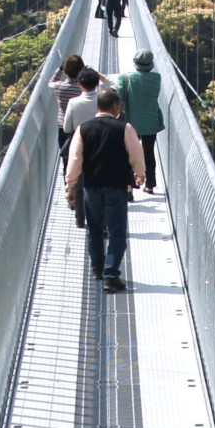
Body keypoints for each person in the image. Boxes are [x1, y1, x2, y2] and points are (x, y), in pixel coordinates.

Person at [68, 86, 145, 292]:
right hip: (116, 186)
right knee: (117, 232)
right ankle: (111, 276)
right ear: (115, 106)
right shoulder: (124, 128)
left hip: (91, 187)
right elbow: (136, 153)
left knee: (94, 231)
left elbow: (75, 159)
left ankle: (97, 269)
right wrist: (140, 173)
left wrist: (71, 185)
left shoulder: (83, 129)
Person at [62, 68, 105, 225]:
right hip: (101, 146)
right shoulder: (102, 100)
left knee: (80, 184)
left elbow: (67, 128)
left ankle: (80, 219)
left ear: (79, 84)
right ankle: (101, 221)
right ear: (97, 84)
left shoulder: (73, 103)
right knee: (100, 183)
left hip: (79, 145)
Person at [119, 50, 164, 193]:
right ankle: (150, 185)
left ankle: (130, 186)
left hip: (131, 121)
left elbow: (119, 97)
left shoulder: (125, 78)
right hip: (151, 120)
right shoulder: (157, 77)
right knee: (149, 152)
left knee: (128, 153)